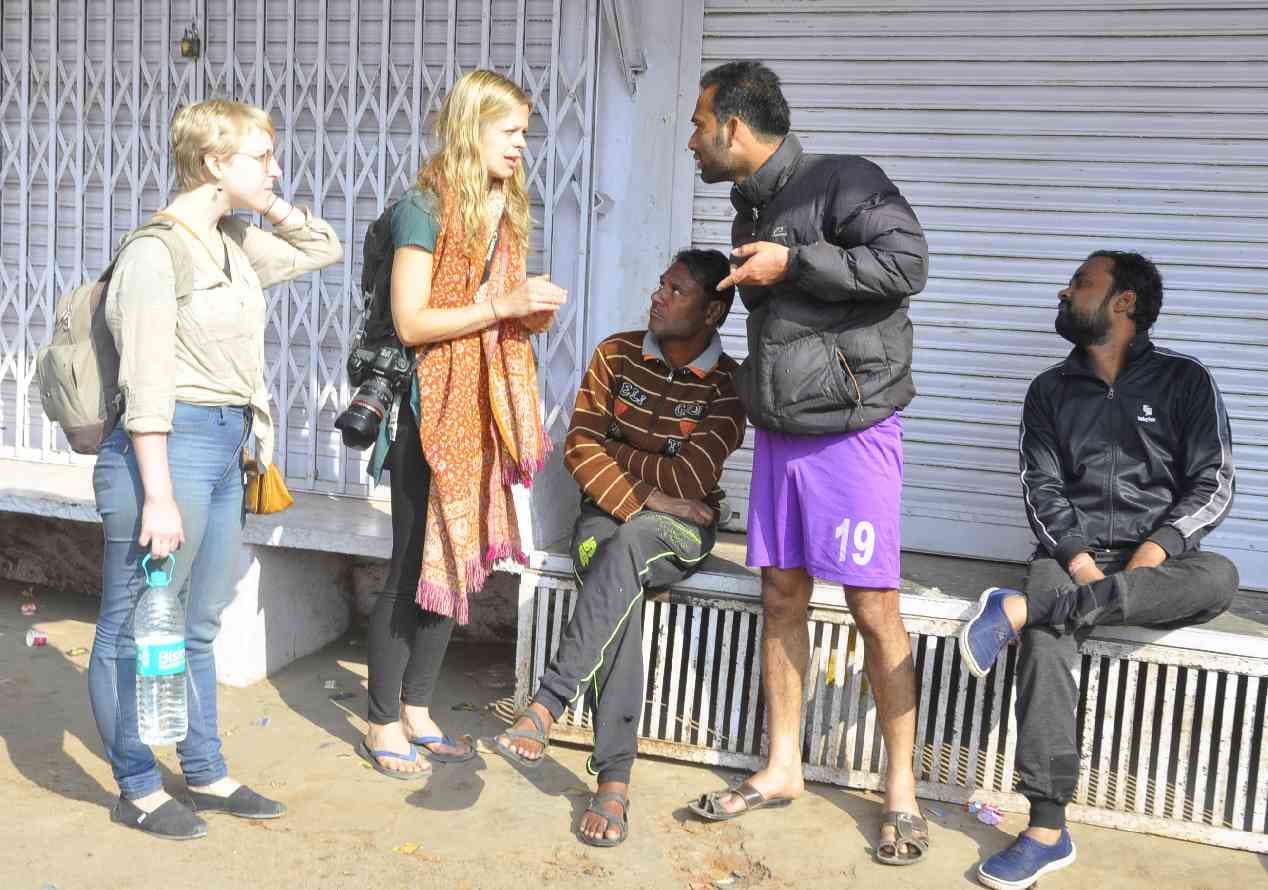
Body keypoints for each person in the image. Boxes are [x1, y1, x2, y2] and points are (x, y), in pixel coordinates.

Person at [682, 61, 932, 865]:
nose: (691, 139)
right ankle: (784, 766)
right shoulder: (749, 203)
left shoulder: (843, 180)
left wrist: (792, 264)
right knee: (782, 595)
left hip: (852, 433)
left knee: (873, 609)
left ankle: (901, 791)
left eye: (698, 124)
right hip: (783, 430)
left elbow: (907, 267)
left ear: (734, 128)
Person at [91, 99, 343, 839]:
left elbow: (323, 246)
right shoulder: (153, 253)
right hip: (165, 452)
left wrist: (273, 204)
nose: (274, 167)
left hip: (227, 448)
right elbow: (145, 388)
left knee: (198, 624)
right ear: (212, 162)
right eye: (260, 156)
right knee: (129, 630)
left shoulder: (234, 241)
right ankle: (136, 786)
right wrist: (159, 497)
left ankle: (205, 772)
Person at [960, 251, 1238, 890]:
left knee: (1219, 577)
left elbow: (1214, 480)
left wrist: (1156, 549)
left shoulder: (1184, 381)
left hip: (1159, 561)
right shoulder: (1050, 391)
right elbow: (1042, 489)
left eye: (1082, 282)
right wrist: (1081, 562)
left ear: (1124, 303)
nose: (1065, 289)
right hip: (1068, 555)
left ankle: (1021, 606)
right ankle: (1047, 829)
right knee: (1051, 639)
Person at [486, 250, 748, 846]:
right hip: (606, 521)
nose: (657, 296)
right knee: (618, 570)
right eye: (659, 284)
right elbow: (579, 445)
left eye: (675, 290)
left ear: (711, 310)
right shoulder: (616, 353)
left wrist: (626, 459)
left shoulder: (730, 386)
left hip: (682, 530)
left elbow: (690, 483)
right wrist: (651, 492)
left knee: (627, 549)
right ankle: (613, 782)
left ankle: (550, 703)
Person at [358, 69, 566, 779]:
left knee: (456, 557)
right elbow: (413, 321)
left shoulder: (501, 210)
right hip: (426, 409)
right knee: (413, 562)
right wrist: (506, 306)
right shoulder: (425, 207)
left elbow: (490, 308)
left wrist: (520, 306)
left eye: (524, 134)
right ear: (472, 127)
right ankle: (381, 718)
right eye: (510, 131)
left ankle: (417, 710)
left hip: (475, 409)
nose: (520, 145)